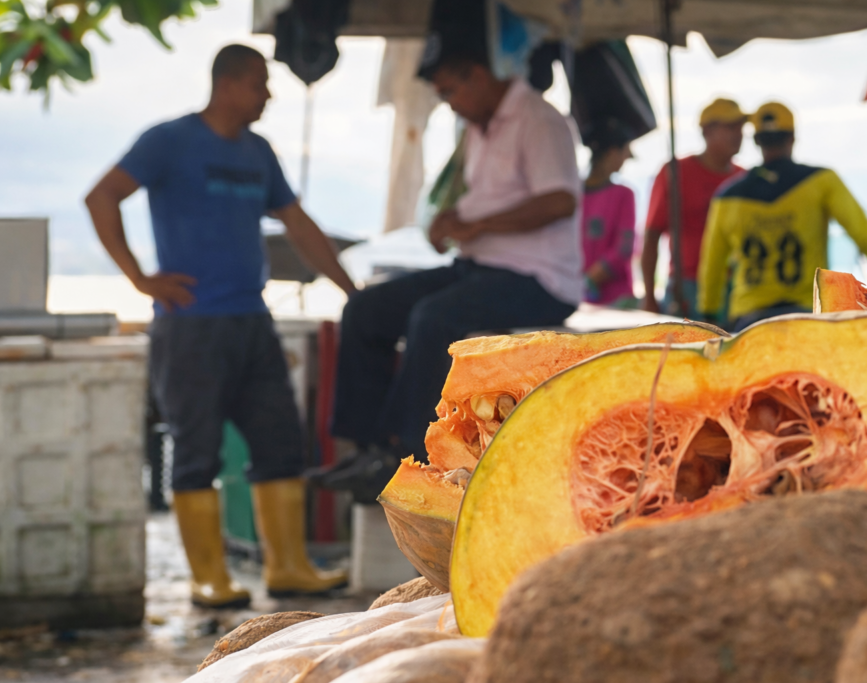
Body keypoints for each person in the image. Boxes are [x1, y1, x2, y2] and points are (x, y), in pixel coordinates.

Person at [84, 44, 354, 608]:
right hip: (190, 326)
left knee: (281, 442)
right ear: (229, 84)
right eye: (260, 84)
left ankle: (289, 569)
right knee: (196, 451)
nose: (268, 95)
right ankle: (209, 579)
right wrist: (139, 278)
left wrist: (352, 291)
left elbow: (298, 224)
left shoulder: (258, 151)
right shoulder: (170, 140)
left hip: (252, 322)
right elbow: (101, 196)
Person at [320, 34, 581, 498]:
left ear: (476, 75)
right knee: (366, 309)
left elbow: (560, 200)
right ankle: (366, 448)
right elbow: (482, 208)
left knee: (434, 318)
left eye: (449, 92)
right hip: (479, 266)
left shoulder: (538, 120)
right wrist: (454, 221)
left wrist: (477, 224)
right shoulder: (478, 128)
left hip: (538, 277)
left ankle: (404, 452)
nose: (448, 103)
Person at [697, 102, 867, 330]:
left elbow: (712, 266)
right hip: (808, 315)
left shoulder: (728, 197)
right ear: (792, 138)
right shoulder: (821, 181)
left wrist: (708, 315)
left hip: (750, 321)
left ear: (756, 141)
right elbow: (863, 233)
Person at [641, 98, 746, 316]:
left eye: (741, 127)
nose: (738, 133)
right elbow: (651, 236)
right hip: (687, 288)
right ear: (707, 131)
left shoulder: (743, 178)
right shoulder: (675, 172)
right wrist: (649, 298)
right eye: (730, 127)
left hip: (736, 286)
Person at [580, 120, 637, 306]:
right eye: (624, 153)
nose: (625, 160)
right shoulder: (572, 194)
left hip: (616, 300)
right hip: (579, 297)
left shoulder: (623, 194)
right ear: (612, 153)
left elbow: (623, 249)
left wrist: (588, 280)